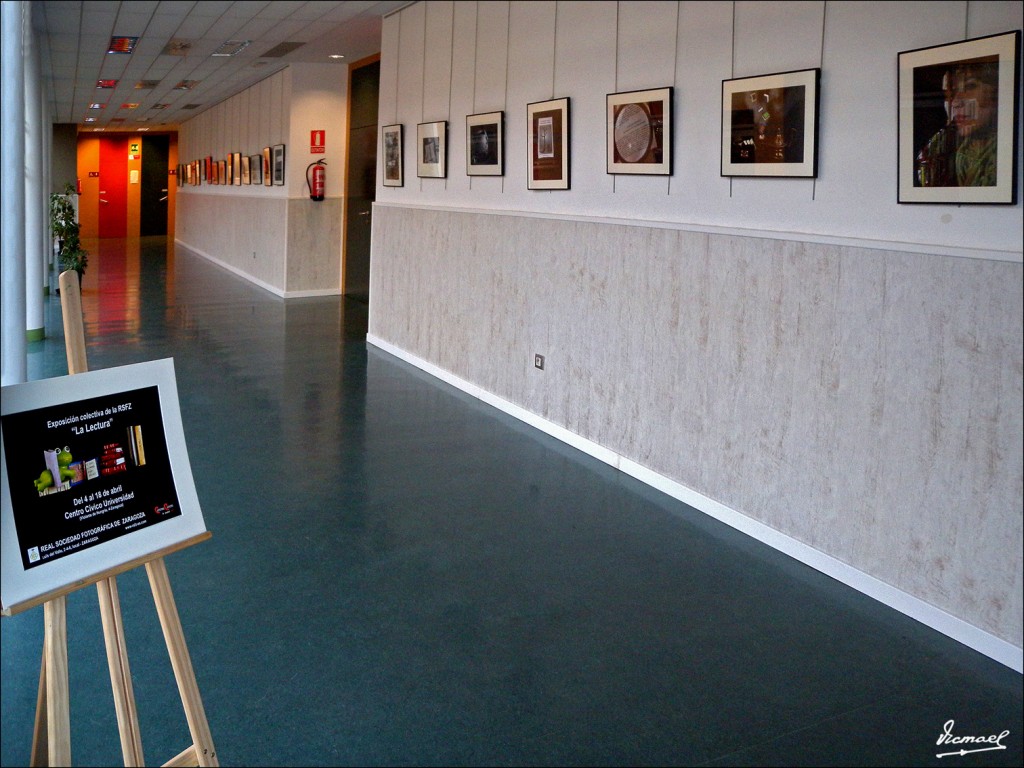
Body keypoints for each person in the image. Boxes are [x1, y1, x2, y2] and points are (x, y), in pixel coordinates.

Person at [916, 58, 998, 187]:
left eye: (970, 86)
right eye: (950, 93)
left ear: (997, 91)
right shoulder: (940, 146)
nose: (955, 102)